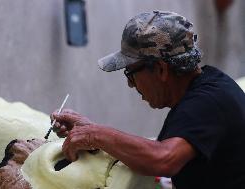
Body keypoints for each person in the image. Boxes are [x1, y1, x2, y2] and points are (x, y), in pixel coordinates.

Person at [51, 11, 245, 189]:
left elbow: (162, 159)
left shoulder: (207, 102)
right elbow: (155, 152)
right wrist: (91, 130)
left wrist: (96, 135)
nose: (131, 84)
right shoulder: (208, 88)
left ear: (161, 69)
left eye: (130, 73)